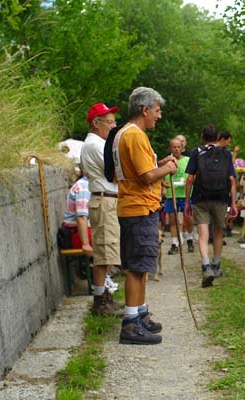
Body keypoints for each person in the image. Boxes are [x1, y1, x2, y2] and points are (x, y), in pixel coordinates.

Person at [111, 87, 178, 345]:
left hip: (133, 206)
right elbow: (146, 177)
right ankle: (131, 323)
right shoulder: (135, 136)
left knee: (141, 266)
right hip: (139, 208)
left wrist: (159, 165)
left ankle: (139, 314)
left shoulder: (123, 133)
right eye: (157, 111)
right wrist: (168, 168)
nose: (159, 116)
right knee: (138, 267)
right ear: (145, 109)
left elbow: (139, 171)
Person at [80, 103, 122, 316]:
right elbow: (115, 174)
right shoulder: (96, 146)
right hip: (105, 200)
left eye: (114, 122)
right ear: (96, 123)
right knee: (104, 253)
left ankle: (104, 297)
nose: (114, 126)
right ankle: (100, 302)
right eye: (110, 122)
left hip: (108, 200)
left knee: (107, 252)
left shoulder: (99, 144)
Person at [185, 124, 238, 288]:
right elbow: (232, 180)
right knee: (218, 231)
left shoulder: (196, 152)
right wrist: (233, 203)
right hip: (220, 198)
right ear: (217, 138)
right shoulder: (226, 154)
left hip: (200, 198)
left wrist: (187, 202)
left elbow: (190, 179)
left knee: (203, 233)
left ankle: (206, 265)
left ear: (202, 137)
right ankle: (216, 264)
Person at [164, 137, 194, 254]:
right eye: (174, 147)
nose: (176, 149)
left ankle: (189, 239)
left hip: (186, 194)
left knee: (188, 218)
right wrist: (163, 184)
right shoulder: (167, 161)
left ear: (182, 148)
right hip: (172, 194)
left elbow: (194, 174)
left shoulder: (188, 160)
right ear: (170, 148)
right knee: (173, 220)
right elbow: (161, 175)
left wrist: (190, 180)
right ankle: (175, 243)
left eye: (178, 147)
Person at [62, 174, 93, 256]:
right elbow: (81, 217)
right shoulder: (84, 186)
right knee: (109, 238)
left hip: (81, 231)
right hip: (76, 234)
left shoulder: (89, 184)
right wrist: (85, 244)